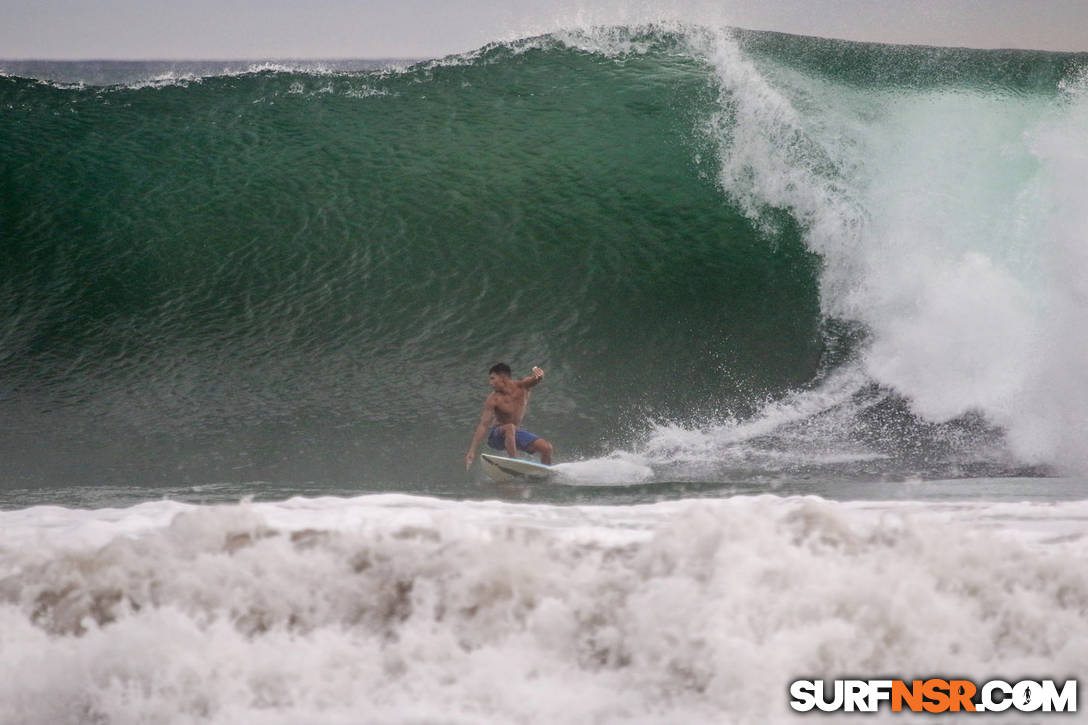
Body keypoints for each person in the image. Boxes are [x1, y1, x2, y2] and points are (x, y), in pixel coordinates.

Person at [464, 363, 554, 468]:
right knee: (510, 427)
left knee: (547, 448)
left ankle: (545, 473)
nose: (490, 383)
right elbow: (483, 425)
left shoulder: (522, 387)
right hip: (496, 436)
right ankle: (514, 462)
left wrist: (540, 375)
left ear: (503, 377)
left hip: (513, 434)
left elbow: (535, 379)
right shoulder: (493, 399)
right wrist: (472, 451)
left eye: (493, 379)